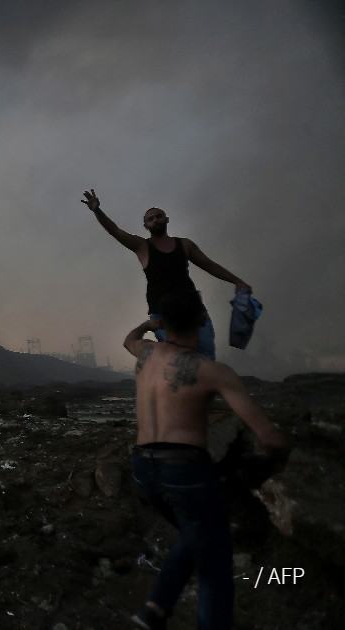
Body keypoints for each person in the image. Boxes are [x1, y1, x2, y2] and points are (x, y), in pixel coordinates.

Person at [123, 290, 288, 629]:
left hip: (142, 467)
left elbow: (130, 338)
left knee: (194, 532)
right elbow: (268, 437)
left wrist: (149, 324)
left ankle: (154, 609)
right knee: (214, 563)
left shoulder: (146, 353)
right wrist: (286, 448)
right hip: (183, 470)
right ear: (203, 321)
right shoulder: (212, 371)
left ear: (163, 323)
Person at [82, 188, 252, 359]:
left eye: (159, 216)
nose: (155, 220)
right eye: (151, 219)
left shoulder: (184, 245)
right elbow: (115, 231)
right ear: (146, 226)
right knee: (177, 361)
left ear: (167, 219)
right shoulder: (142, 246)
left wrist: (237, 281)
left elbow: (209, 265)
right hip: (163, 314)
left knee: (206, 358)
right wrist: (97, 210)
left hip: (193, 310)